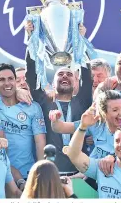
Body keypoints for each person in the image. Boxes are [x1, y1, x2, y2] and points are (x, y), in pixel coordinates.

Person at [25, 26, 92, 173]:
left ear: (75, 82)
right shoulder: (44, 102)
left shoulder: (83, 102)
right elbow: (31, 75)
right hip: (51, 173)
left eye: (69, 75)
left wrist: (81, 42)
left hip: (79, 173)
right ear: (53, 83)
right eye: (60, 74)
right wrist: (32, 39)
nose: (65, 77)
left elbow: (87, 77)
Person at [0, 63, 46, 181]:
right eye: (2, 80)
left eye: (10, 79)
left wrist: (41, 171)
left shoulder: (32, 107)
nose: (7, 83)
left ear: (14, 81)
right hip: (0, 174)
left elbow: (40, 143)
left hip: (28, 173)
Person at [50, 90, 121, 159]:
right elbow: (60, 128)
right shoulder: (95, 123)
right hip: (96, 175)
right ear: (103, 112)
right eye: (115, 110)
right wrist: (55, 119)